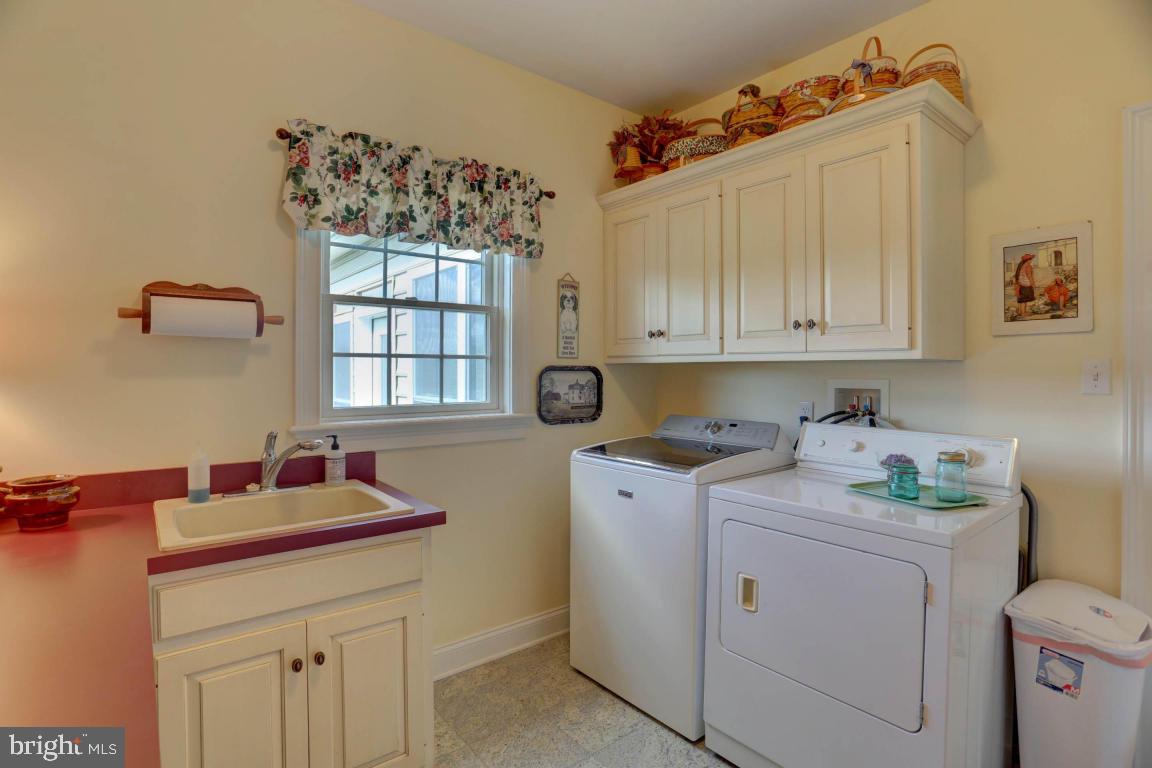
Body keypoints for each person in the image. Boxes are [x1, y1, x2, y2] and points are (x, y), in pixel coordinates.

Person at [1013, 253, 1036, 319]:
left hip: (1020, 284)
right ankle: (1023, 313)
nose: (1032, 260)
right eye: (1031, 259)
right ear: (1028, 260)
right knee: (1024, 299)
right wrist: (1033, 284)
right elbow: (1029, 276)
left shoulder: (1021, 265)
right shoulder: (1028, 266)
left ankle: (1021, 312)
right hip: (1026, 284)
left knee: (1021, 298)